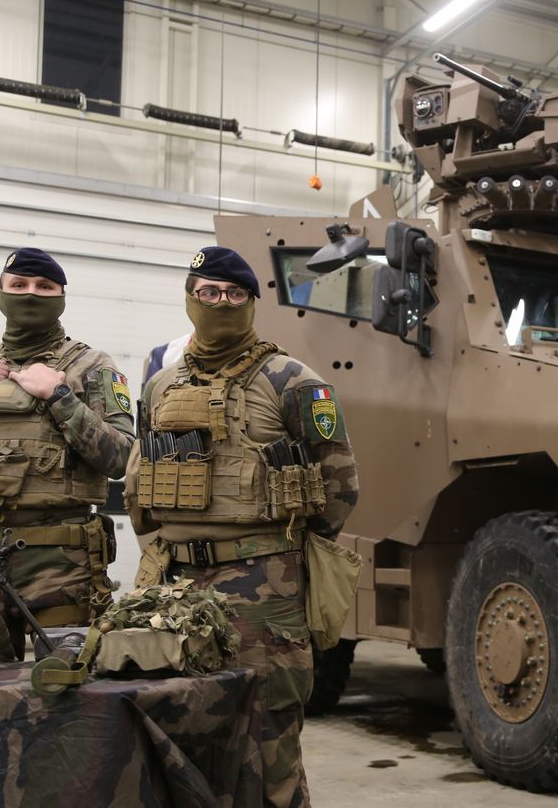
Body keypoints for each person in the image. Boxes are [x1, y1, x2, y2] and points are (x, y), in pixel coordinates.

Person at [125, 246, 359, 808]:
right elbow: (139, 483)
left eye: (234, 295)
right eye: (208, 292)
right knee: (185, 727)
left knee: (269, 736)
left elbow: (340, 490)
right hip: (176, 589)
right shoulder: (161, 385)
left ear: (253, 303)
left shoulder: (294, 382)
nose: (221, 303)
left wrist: (278, 552)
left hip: (263, 587)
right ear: (190, 299)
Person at [0, 247, 132, 659]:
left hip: (58, 565)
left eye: (44, 286)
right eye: (19, 285)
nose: (30, 294)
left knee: (64, 692)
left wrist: (59, 395)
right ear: (1, 293)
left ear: (61, 296)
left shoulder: (92, 366)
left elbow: (122, 458)